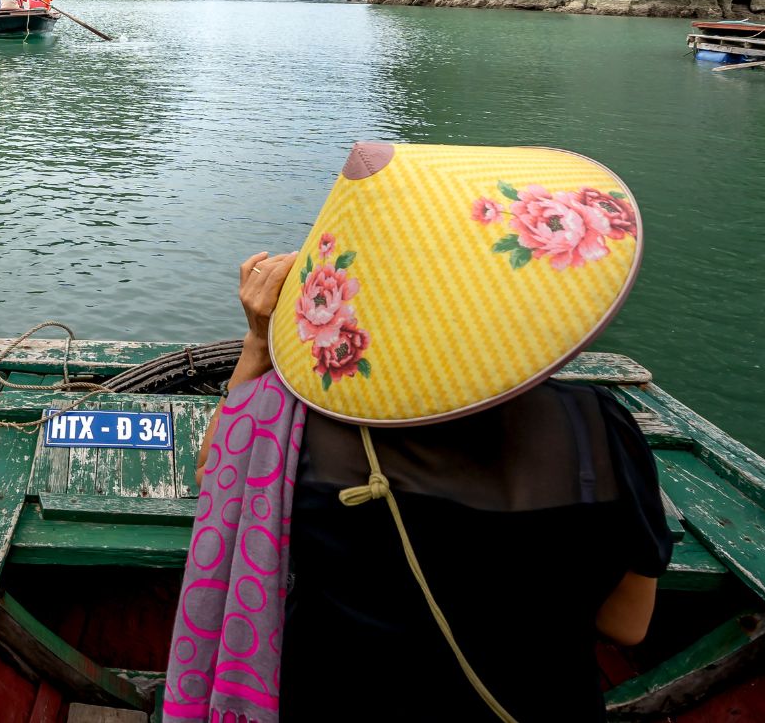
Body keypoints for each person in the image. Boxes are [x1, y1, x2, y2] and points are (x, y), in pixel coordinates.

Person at [171, 142, 671, 723]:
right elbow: (627, 625)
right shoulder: (597, 428)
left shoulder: (294, 419)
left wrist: (260, 342)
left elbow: (216, 478)